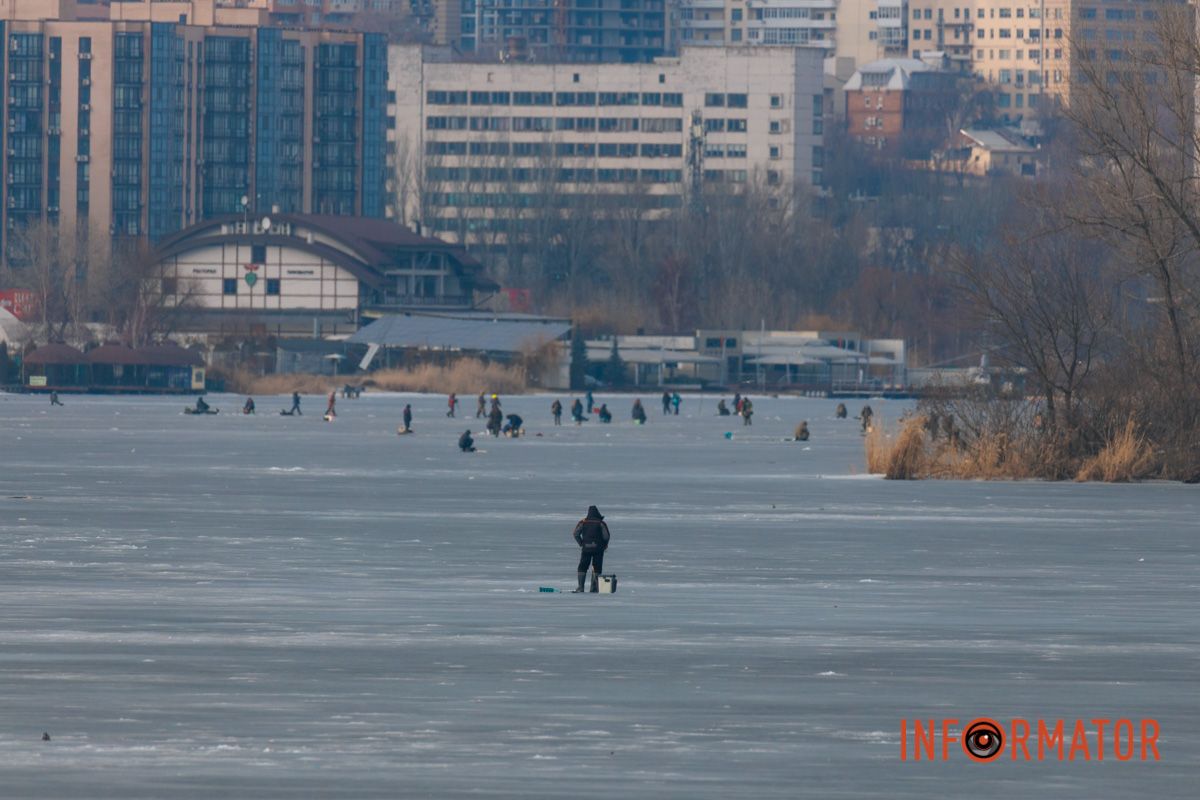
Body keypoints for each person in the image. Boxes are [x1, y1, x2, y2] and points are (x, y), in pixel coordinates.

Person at [572, 505, 611, 593]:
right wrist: (604, 545)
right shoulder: (601, 523)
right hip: (598, 549)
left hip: (586, 548)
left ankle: (580, 587)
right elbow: (606, 536)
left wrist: (581, 543)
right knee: (597, 567)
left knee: (582, 567)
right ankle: (594, 588)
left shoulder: (583, 522)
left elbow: (575, 534)